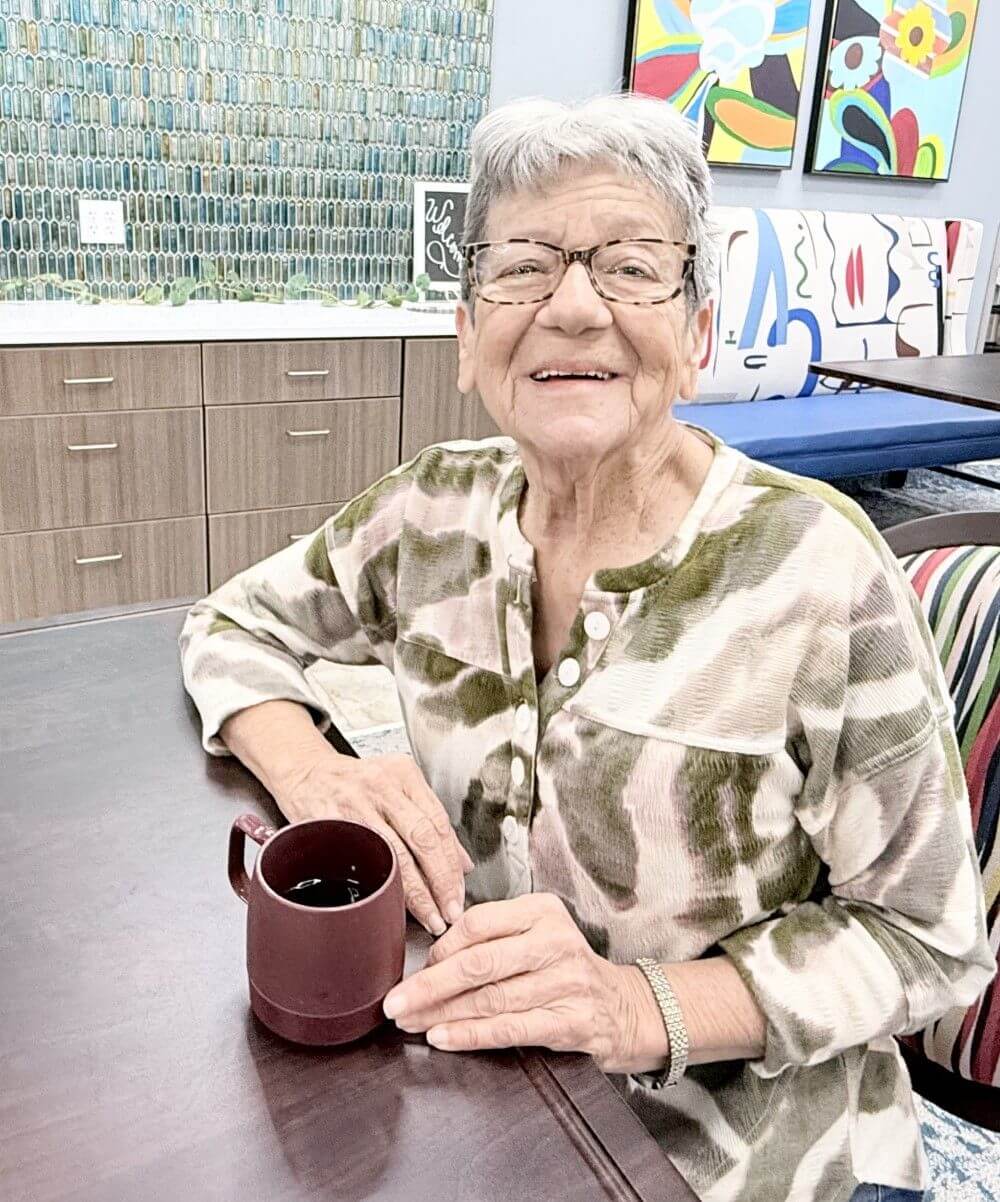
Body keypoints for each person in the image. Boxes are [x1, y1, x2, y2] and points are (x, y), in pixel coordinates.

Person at [180, 93, 993, 1202]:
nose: (570, 306)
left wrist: (632, 1004)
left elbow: (930, 939)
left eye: (631, 267)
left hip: (756, 1158)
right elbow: (229, 623)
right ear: (467, 334)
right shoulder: (428, 514)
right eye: (522, 267)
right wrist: (317, 772)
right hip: (503, 1109)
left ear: (696, 337)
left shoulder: (818, 571)